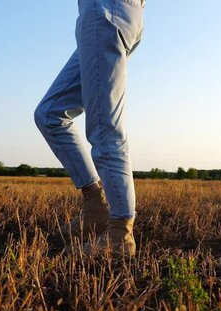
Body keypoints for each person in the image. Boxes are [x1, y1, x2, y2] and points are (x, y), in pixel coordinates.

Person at [34, 0, 145, 256]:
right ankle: (95, 205)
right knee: (50, 114)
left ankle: (120, 233)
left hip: (106, 10)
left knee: (105, 129)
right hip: (105, 13)